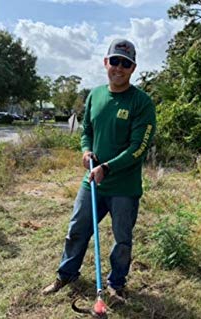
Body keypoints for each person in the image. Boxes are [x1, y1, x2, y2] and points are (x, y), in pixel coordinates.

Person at [43, 38, 156, 299]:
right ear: (106, 62)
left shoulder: (142, 103)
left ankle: (116, 283)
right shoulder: (95, 95)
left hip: (124, 187)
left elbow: (139, 148)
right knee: (77, 230)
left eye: (125, 64)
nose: (119, 67)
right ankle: (66, 274)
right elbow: (87, 131)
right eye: (114, 61)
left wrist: (107, 166)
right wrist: (86, 150)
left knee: (122, 241)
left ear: (133, 68)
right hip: (92, 181)